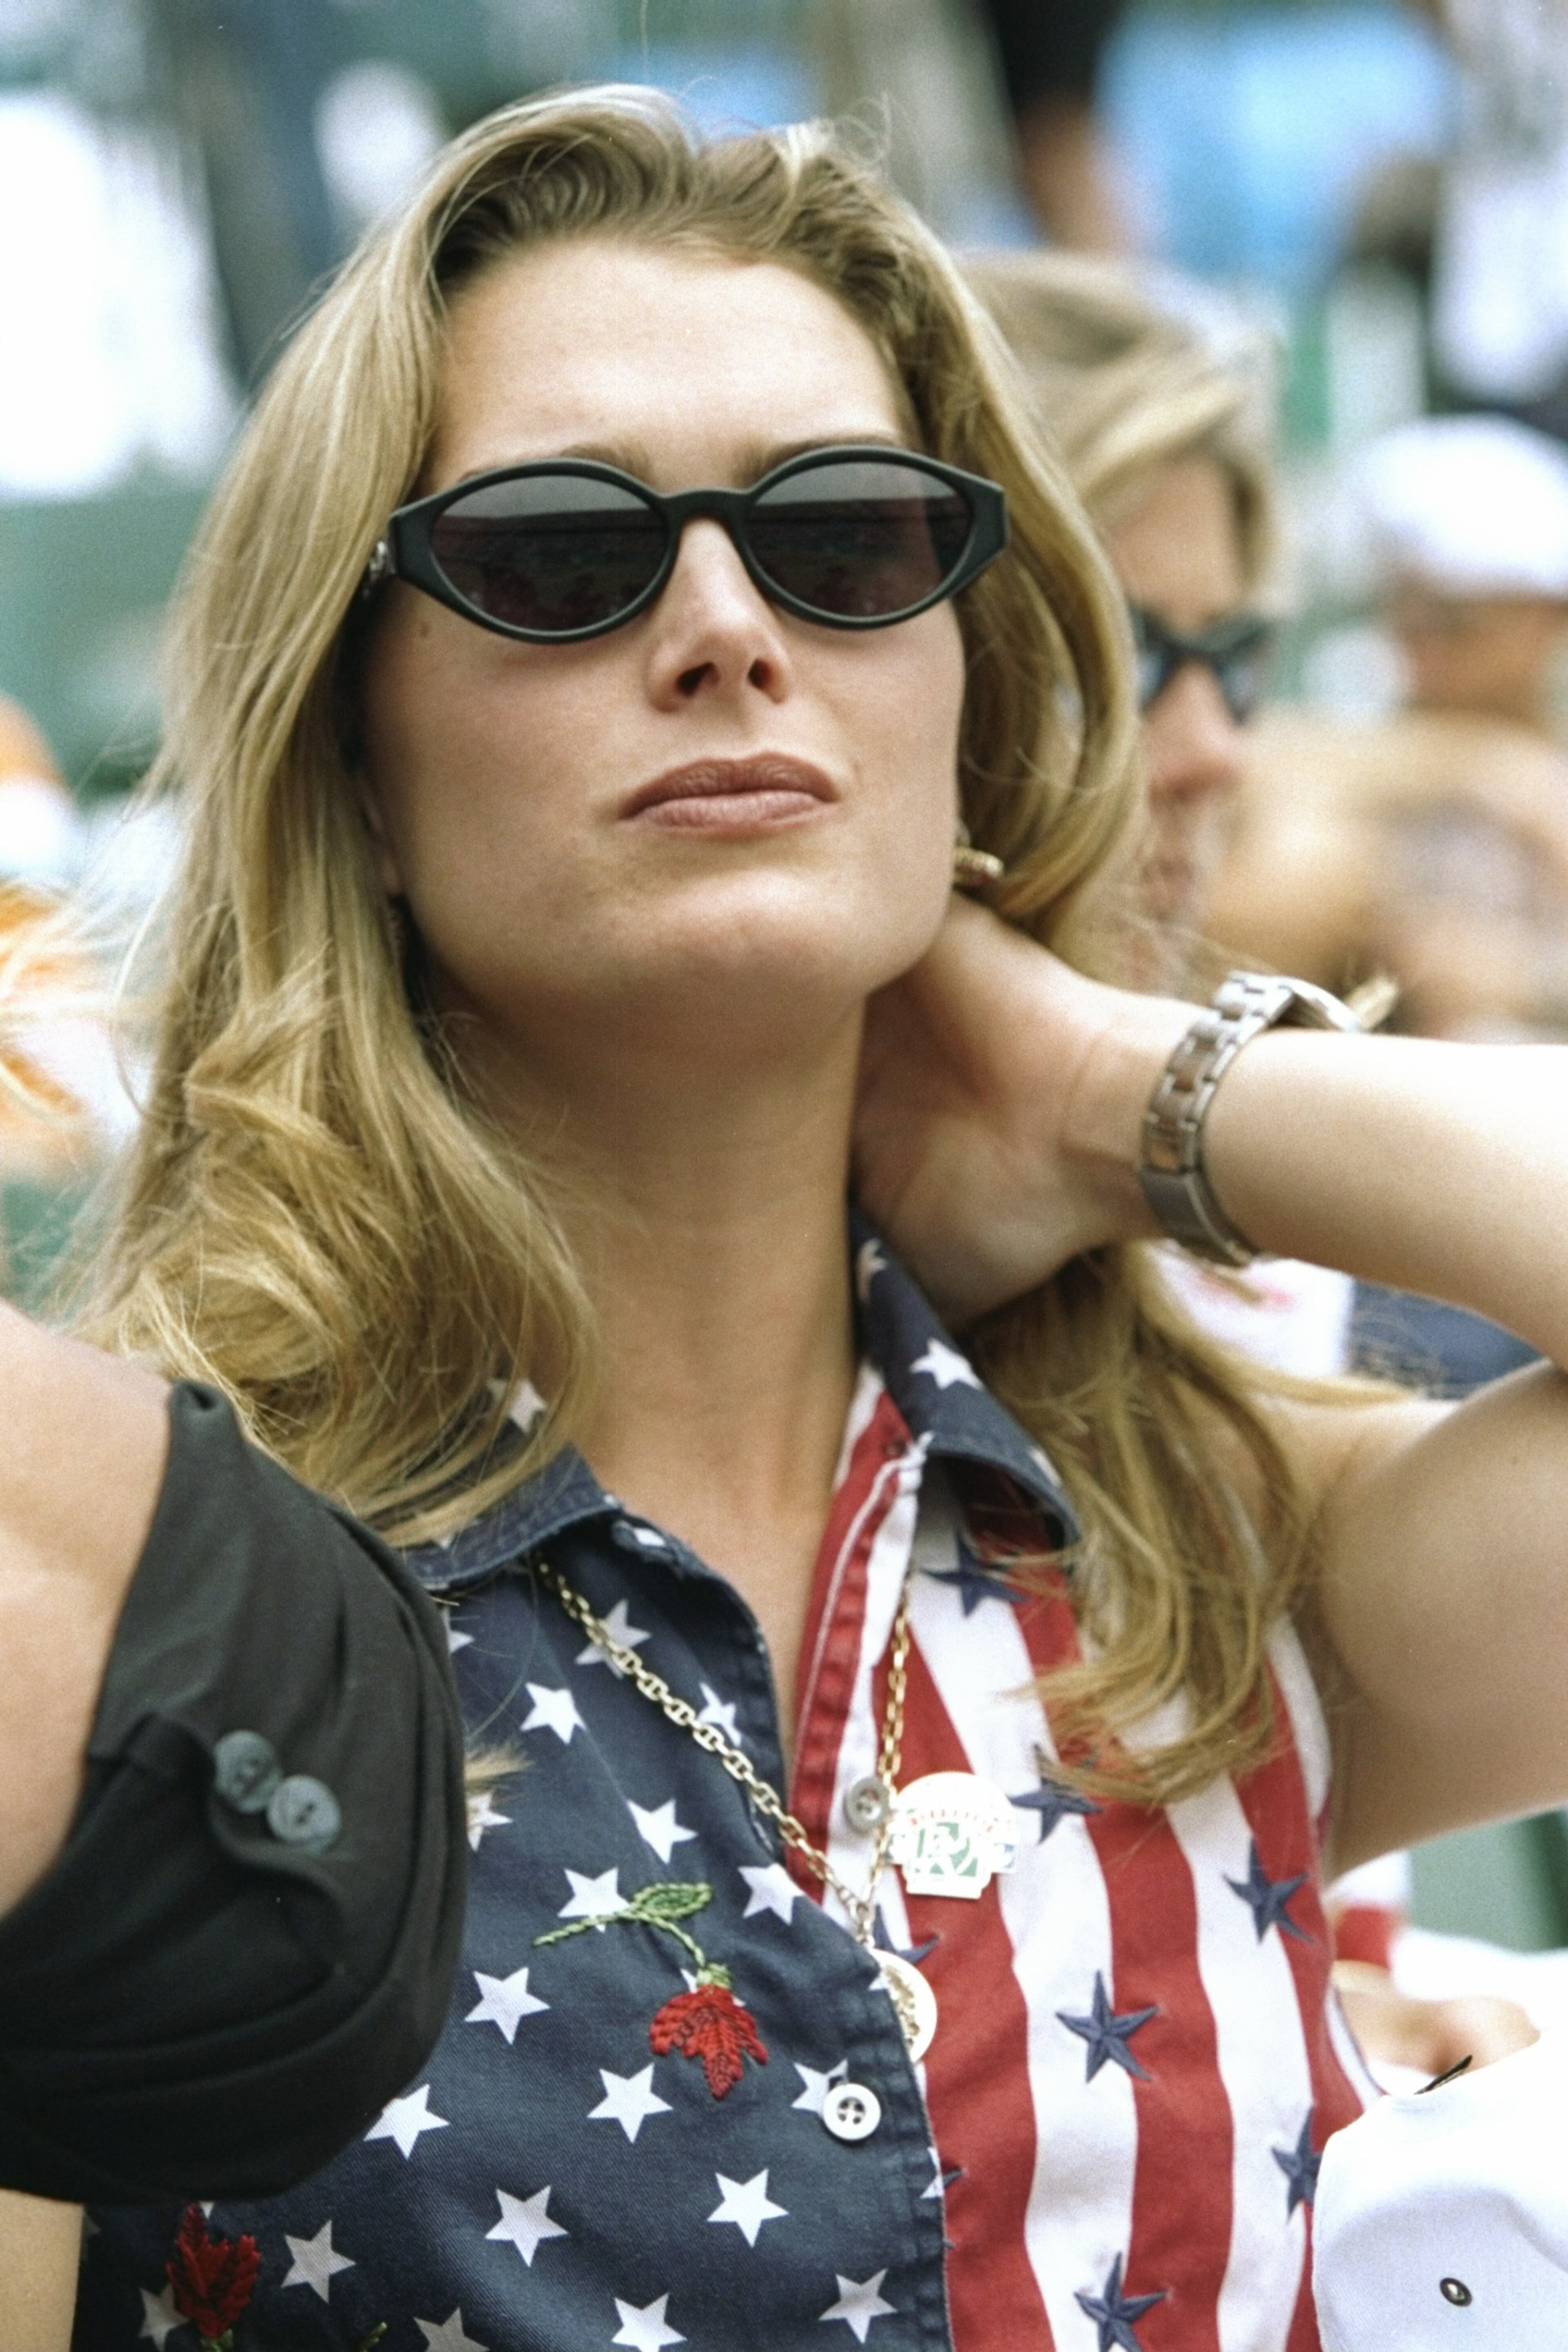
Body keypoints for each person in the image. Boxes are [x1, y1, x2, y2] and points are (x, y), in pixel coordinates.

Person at [59, 87, 1568, 2352]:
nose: (722, 626)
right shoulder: (118, 1601)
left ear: (964, 686)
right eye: (561, 553)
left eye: (847, 539)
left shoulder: (1195, 1542)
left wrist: (1125, 1089)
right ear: (351, 760)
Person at [964, 248, 1538, 2083]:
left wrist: (1131, 1091)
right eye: (1128, 657)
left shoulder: (1215, 1257)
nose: (1212, 748)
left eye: (1236, 660)